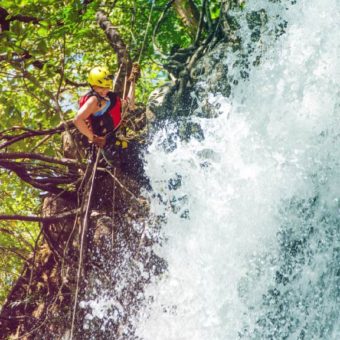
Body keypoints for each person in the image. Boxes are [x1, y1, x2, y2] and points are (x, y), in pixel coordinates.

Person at [73, 65, 137, 149]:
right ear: (93, 86)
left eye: (107, 87)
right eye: (100, 87)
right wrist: (94, 138)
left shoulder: (110, 97)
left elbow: (130, 105)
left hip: (115, 141)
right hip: (105, 148)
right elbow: (77, 120)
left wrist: (133, 83)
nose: (104, 91)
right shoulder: (94, 100)